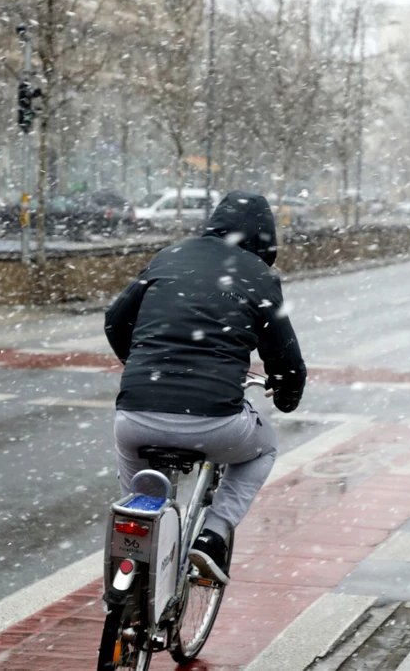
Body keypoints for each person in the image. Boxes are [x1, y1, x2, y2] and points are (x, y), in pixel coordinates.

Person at [104, 191, 307, 584]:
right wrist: (286, 395)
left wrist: (140, 364)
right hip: (215, 422)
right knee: (264, 448)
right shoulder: (259, 275)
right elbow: (286, 357)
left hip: (135, 416)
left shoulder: (170, 255)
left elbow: (116, 320)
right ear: (265, 239)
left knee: (140, 506)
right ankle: (212, 536)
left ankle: (128, 591)